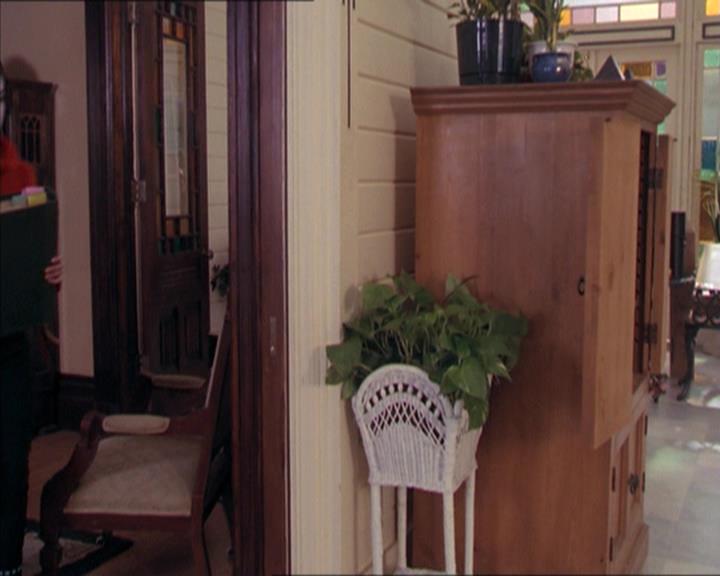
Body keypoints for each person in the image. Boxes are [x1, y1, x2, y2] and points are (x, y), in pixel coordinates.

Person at [0, 61, 61, 576]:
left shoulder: (21, 175)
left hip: (9, 343)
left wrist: (51, 273)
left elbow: (35, 262)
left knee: (11, 458)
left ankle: (7, 565)